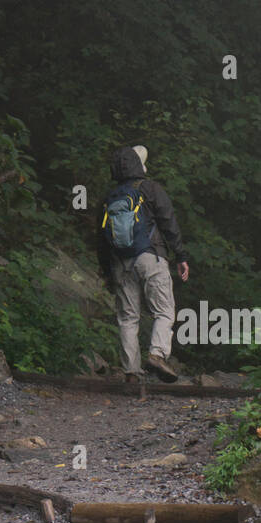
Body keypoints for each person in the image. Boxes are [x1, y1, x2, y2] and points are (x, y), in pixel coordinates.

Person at [97, 145, 190, 382]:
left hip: (121, 264)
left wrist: (107, 272)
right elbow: (168, 222)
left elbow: (100, 239)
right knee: (165, 311)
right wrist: (180, 255)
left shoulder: (109, 198)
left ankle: (131, 372)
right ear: (139, 165)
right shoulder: (150, 189)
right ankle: (157, 354)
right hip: (150, 257)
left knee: (128, 318)